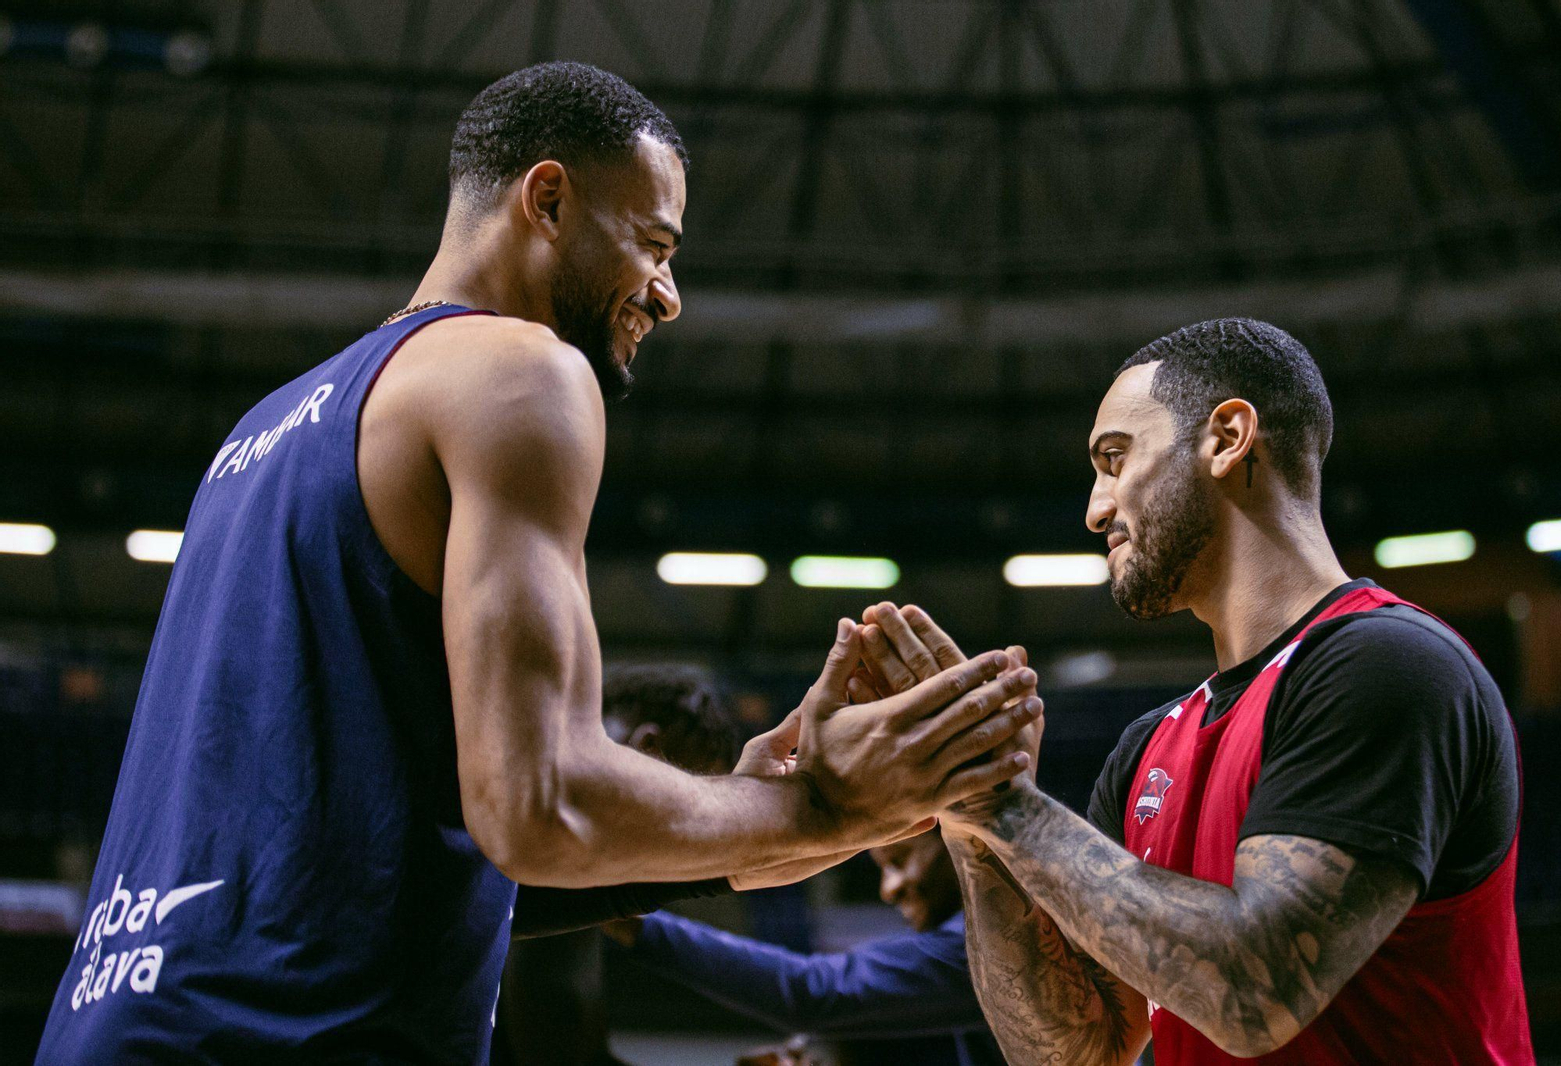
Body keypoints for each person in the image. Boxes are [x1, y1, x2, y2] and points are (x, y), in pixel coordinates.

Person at [33, 62, 1043, 1065]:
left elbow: (414, 873)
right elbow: (539, 804)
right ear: (548, 199)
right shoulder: (517, 370)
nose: (669, 295)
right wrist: (818, 805)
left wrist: (757, 826)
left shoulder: (265, 432)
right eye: (655, 245)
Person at [850, 319, 1533, 1065]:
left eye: (1115, 460)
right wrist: (968, 821)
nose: (1095, 510)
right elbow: (1076, 1052)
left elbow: (1258, 991)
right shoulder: (1150, 743)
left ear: (1228, 438)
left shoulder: (1388, 663)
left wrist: (1008, 809)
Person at [494, 663, 743, 1066]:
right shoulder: (560, 855)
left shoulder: (530, 808)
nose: (684, 849)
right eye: (693, 815)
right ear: (648, 747)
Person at [604, 828, 1004, 1066]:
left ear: (962, 840)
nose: (889, 889)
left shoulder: (988, 944)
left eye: (898, 860)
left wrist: (624, 915)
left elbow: (812, 991)